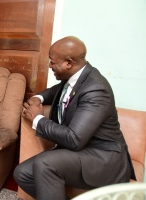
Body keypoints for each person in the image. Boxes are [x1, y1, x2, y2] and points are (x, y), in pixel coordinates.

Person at [13, 36, 136, 200]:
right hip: (78, 152)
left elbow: (74, 138)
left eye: (52, 61)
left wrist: (37, 119)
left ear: (68, 63)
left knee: (45, 162)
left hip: (102, 158)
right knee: (22, 173)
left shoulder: (96, 89)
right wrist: (38, 98)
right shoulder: (73, 78)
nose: (49, 65)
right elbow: (52, 92)